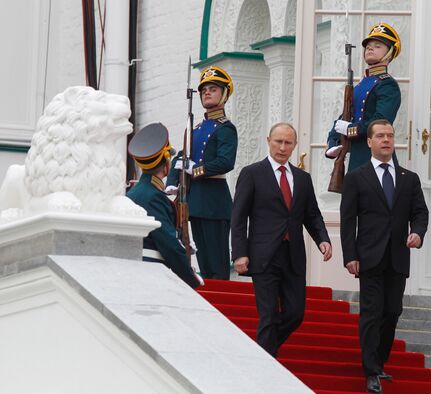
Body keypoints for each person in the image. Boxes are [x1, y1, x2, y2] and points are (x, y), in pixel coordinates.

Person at [340, 119, 429, 393]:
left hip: (398, 257)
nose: (386, 140)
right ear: (369, 142)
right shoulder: (356, 177)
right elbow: (347, 220)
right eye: (380, 136)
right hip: (368, 256)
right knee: (371, 312)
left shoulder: (409, 178)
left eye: (390, 136)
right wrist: (349, 255)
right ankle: (370, 371)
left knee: (392, 311)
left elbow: (420, 212)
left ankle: (379, 362)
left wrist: (418, 233)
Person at [231, 122, 332, 357]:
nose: (283, 147)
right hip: (263, 256)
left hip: (293, 255)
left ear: (295, 145)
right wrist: (239, 253)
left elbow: (312, 215)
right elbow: (238, 217)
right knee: (267, 314)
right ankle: (266, 365)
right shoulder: (252, 173)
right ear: (268, 141)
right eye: (278, 141)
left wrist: (323, 240)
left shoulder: (303, 179)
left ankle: (264, 351)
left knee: (295, 313)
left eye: (288, 143)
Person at [166, 65, 238, 280]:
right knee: (204, 264)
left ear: (224, 94)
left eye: (213, 89)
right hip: (196, 201)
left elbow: (225, 162)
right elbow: (181, 156)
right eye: (204, 89)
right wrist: (172, 180)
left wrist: (195, 169)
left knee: (216, 263)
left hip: (214, 200)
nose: (207, 92)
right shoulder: (196, 129)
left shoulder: (225, 128)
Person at [127, 122, 203, 289]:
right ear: (166, 163)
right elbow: (168, 244)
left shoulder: (133, 193)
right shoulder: (154, 197)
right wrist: (190, 277)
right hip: (152, 270)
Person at [326, 22, 402, 172]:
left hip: (376, 156)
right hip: (356, 156)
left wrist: (350, 130)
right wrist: (333, 139)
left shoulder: (387, 85)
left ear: (390, 52)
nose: (370, 48)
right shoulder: (362, 84)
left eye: (377, 45)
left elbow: (380, 122)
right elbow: (347, 114)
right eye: (368, 46)